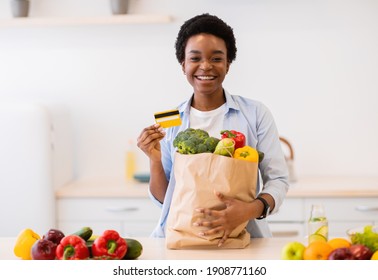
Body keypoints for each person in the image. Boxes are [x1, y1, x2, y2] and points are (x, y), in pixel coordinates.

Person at [137, 13, 289, 246]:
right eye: (195, 58)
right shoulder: (170, 120)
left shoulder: (255, 113)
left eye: (216, 58)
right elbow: (164, 199)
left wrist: (249, 210)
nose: (206, 66)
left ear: (228, 64)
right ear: (183, 65)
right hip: (181, 241)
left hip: (245, 240)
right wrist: (154, 159)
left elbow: (278, 180)